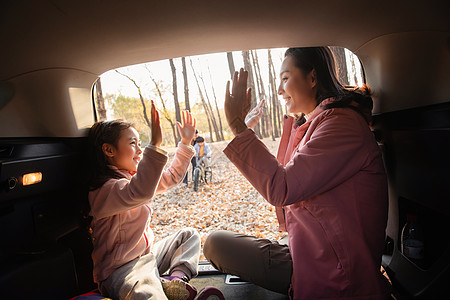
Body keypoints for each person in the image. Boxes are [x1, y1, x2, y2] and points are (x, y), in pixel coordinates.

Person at [204, 47, 391, 300]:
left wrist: (238, 127)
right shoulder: (320, 122)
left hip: (336, 271)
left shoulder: (341, 125)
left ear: (312, 78)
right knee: (217, 243)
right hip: (308, 248)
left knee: (216, 243)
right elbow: (285, 180)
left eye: (284, 78)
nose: (279, 90)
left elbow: (283, 187)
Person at [87, 101, 224, 300]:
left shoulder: (135, 181)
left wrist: (185, 143)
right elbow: (138, 192)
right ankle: (159, 290)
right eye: (133, 144)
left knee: (188, 236)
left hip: (147, 257)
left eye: (140, 144)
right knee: (147, 293)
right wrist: (155, 146)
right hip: (120, 272)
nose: (140, 150)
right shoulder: (104, 191)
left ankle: (174, 282)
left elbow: (172, 177)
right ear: (109, 150)